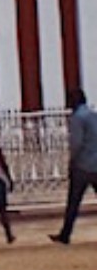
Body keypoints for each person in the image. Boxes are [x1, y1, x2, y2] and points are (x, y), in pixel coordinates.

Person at [50, 86, 97, 244]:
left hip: (82, 166)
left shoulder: (77, 118)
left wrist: (72, 161)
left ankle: (65, 234)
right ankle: (64, 234)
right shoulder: (93, 115)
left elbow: (76, 143)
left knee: (73, 202)